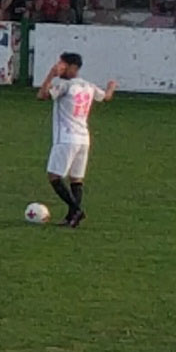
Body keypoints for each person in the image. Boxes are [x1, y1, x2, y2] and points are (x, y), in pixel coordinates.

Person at [39, 52, 118, 228]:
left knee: (54, 176)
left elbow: (42, 95)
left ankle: (76, 209)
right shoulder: (88, 86)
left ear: (73, 68)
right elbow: (106, 97)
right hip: (83, 138)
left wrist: (51, 75)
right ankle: (71, 218)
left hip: (66, 138)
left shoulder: (65, 86)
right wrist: (111, 87)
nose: (59, 67)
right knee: (76, 179)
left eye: (62, 65)